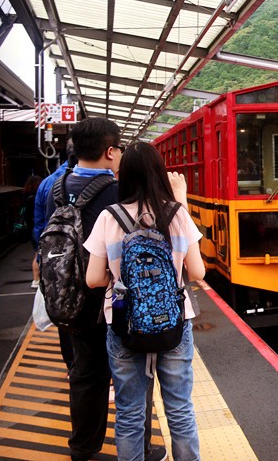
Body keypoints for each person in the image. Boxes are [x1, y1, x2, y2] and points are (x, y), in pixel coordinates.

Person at [85, 142, 204, 461]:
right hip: (174, 322)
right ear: (159, 173)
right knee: (180, 410)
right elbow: (197, 271)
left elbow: (93, 279)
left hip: (124, 323)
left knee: (129, 415)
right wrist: (182, 201)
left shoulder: (109, 217)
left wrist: (120, 277)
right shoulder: (177, 214)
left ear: (123, 176)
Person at [43, 119, 121, 461]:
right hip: (106, 296)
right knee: (127, 373)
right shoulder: (115, 191)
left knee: (84, 373)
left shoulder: (55, 188)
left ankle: (83, 448)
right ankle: (139, 447)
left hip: (66, 297)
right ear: (110, 151)